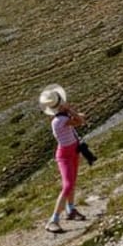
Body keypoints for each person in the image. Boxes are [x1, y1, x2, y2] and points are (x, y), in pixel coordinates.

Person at [39, 84, 87, 232]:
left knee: (71, 183)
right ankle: (53, 220)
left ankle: (71, 210)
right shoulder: (59, 121)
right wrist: (71, 110)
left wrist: (70, 112)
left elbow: (79, 119)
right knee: (67, 185)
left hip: (72, 151)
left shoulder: (61, 118)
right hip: (65, 155)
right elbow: (80, 120)